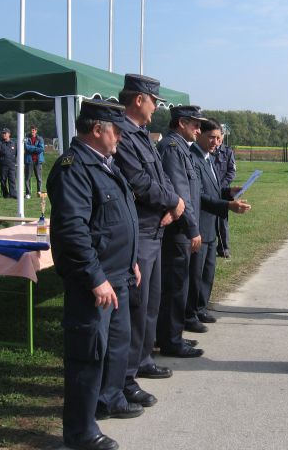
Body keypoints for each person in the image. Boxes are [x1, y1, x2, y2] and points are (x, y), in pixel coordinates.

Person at [47, 99, 143, 450]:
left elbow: (117, 219)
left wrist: (131, 259)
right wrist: (95, 277)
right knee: (86, 357)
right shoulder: (74, 168)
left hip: (117, 275)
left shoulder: (105, 163)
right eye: (117, 129)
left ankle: (109, 399)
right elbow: (72, 231)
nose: (121, 136)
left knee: (115, 347)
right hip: (95, 282)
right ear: (97, 129)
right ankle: (80, 433)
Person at [113, 74, 186, 403]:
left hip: (155, 228)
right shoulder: (123, 134)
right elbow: (138, 181)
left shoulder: (141, 134)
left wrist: (175, 202)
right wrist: (172, 201)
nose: (157, 107)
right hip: (140, 231)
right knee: (136, 306)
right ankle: (126, 376)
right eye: (154, 100)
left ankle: (142, 360)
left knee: (151, 303)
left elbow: (162, 177)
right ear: (139, 99)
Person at [187, 118, 251, 332]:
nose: (216, 142)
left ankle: (201, 307)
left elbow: (213, 190)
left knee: (208, 271)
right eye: (212, 137)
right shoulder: (193, 158)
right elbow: (199, 196)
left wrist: (229, 192)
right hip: (199, 223)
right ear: (199, 135)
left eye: (219, 138)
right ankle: (190, 314)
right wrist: (228, 206)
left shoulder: (208, 159)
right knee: (195, 274)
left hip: (211, 225)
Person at [155, 105, 205, 357]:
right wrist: (192, 228)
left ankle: (171, 334)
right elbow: (180, 194)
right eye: (195, 124)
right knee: (175, 286)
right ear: (181, 123)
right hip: (177, 231)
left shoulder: (181, 148)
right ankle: (171, 340)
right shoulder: (172, 149)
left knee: (178, 284)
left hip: (181, 228)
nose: (199, 129)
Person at [213, 128, 236, 258]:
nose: (217, 139)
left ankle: (224, 248)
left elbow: (231, 172)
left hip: (222, 191)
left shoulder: (227, 152)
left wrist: (220, 186)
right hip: (209, 191)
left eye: (220, 136)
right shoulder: (208, 151)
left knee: (222, 221)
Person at [0, 128, 17, 198]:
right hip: (2, 165)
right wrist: (0, 160)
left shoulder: (13, 143)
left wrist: (13, 160)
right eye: (3, 133)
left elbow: (16, 152)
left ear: (9, 134)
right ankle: (6, 194)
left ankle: (13, 194)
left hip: (11, 165)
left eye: (5, 133)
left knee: (12, 179)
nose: (4, 134)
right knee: (3, 180)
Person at [24, 125, 45, 199]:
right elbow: (26, 147)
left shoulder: (40, 139)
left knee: (39, 178)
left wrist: (31, 148)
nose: (32, 131)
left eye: (33, 130)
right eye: (31, 130)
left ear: (36, 131)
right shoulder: (26, 138)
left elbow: (41, 149)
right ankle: (28, 193)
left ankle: (39, 192)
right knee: (27, 178)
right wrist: (36, 148)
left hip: (38, 161)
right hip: (29, 160)